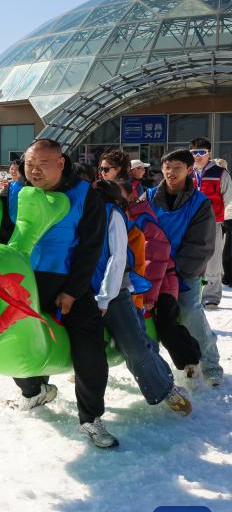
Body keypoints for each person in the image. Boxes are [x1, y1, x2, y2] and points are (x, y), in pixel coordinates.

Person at [0, 139, 117, 448]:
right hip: (24, 282)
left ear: (61, 163)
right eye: (29, 165)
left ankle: (91, 418)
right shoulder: (14, 192)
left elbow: (91, 248)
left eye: (43, 165)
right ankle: (35, 390)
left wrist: (73, 291)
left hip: (68, 283)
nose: (34, 171)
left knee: (89, 345)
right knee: (7, 336)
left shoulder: (84, 195)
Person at [92, 179, 191, 415]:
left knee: (136, 345)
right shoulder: (74, 215)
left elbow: (125, 261)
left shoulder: (115, 215)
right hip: (84, 290)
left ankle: (165, 387)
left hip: (117, 291)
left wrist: (110, 296)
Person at [147, 149, 224, 386]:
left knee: (189, 311)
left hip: (183, 270)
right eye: (167, 167)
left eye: (177, 168)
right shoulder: (149, 196)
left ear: (189, 170)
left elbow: (201, 244)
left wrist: (175, 269)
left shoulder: (199, 203)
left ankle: (211, 364)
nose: (171, 172)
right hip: (152, 269)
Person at [121, 180, 202, 373]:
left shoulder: (142, 219)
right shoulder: (111, 216)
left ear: (130, 197)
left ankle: (190, 360)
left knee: (165, 323)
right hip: (133, 284)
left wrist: (148, 296)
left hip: (162, 282)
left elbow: (156, 260)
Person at [188, 137, 232, 308]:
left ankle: (211, 296)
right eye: (194, 153)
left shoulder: (220, 173)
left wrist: (226, 219)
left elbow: (229, 198)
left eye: (202, 152)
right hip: (190, 222)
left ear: (209, 154)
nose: (198, 156)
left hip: (213, 222)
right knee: (192, 258)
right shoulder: (187, 172)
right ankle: (192, 294)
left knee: (213, 259)